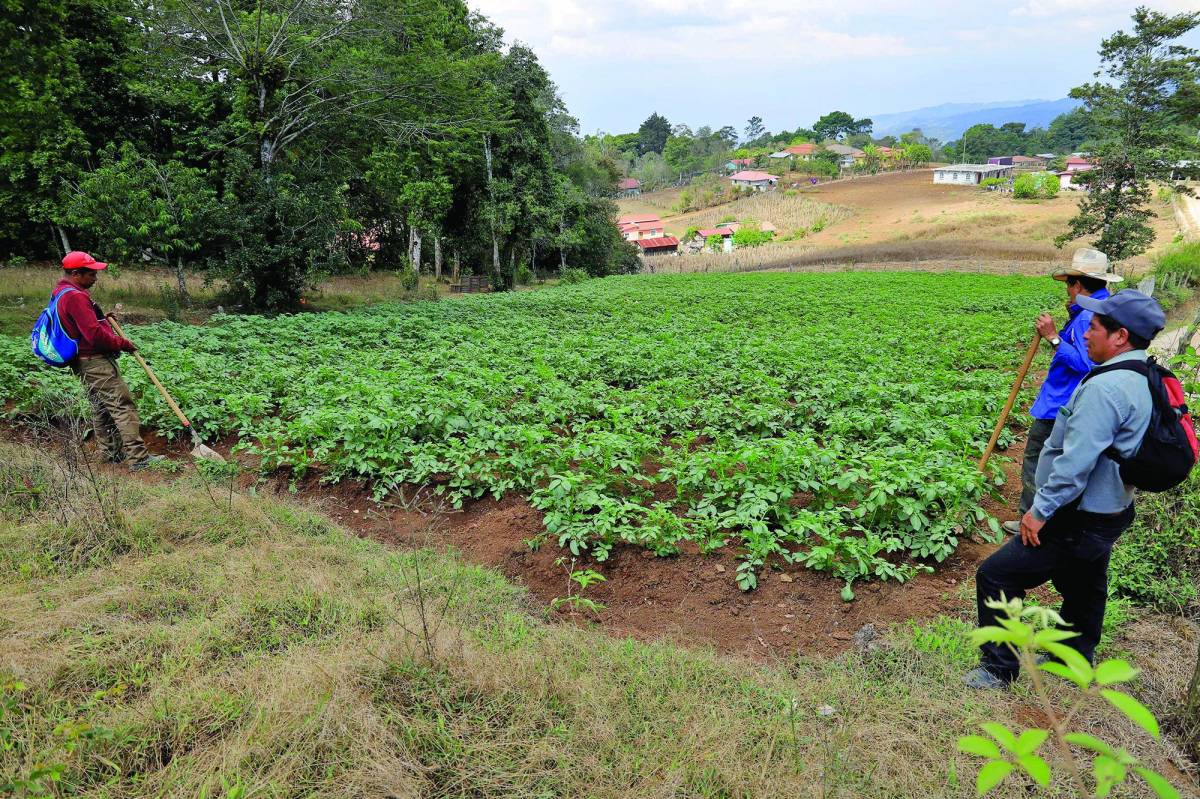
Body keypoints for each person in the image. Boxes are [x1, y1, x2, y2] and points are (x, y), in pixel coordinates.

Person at [965, 290, 1165, 689]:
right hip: (1112, 508)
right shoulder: (1143, 374)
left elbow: (1075, 464)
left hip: (1079, 513)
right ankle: (1073, 656)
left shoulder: (1106, 389)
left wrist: (1039, 511)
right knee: (1085, 582)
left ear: (1120, 336)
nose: (1086, 334)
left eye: (1094, 327)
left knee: (996, 575)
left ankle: (998, 669)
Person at [1003, 248, 1123, 535]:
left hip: (1061, 404)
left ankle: (1029, 520)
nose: (1067, 291)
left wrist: (1054, 337)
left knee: (1037, 460)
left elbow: (1085, 363)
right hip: (1073, 402)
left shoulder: (1087, 317)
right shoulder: (1101, 309)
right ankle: (1051, 517)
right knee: (1061, 462)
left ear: (1078, 285)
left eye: (1069, 284)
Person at [53, 251, 162, 470]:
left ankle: (110, 453)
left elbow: (85, 325)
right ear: (76, 273)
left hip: (83, 361)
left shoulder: (61, 291)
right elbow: (93, 335)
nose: (95, 277)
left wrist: (100, 317)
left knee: (101, 407)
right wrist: (122, 343)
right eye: (91, 273)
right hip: (95, 362)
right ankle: (138, 458)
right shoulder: (76, 296)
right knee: (122, 405)